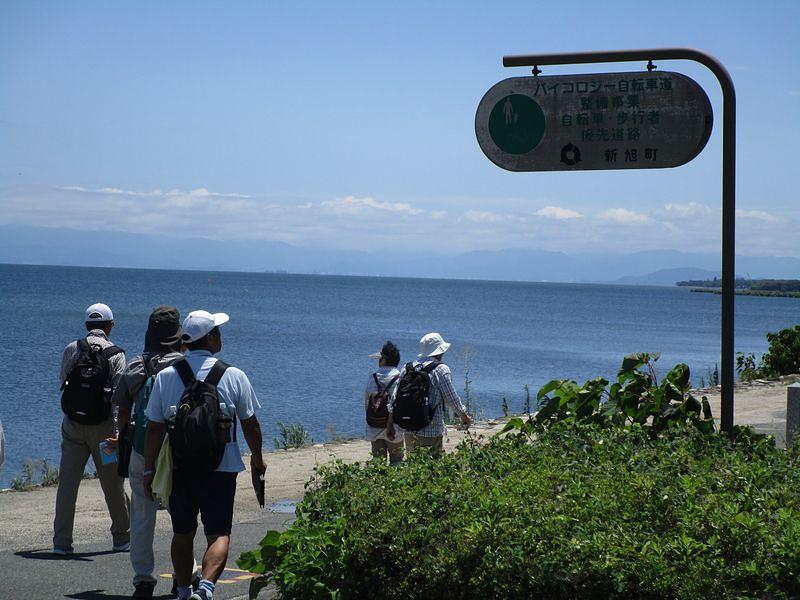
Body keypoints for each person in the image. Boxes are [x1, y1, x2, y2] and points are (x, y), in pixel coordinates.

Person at [143, 310, 267, 600]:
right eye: (218, 332)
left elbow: (153, 430)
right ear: (209, 338)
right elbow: (251, 424)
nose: (221, 336)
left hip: (180, 468)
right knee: (219, 533)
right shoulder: (233, 375)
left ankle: (185, 591)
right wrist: (257, 457)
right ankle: (207, 588)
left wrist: (149, 471)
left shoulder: (166, 376)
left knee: (182, 532)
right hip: (221, 469)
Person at [110, 305, 199, 599]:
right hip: (176, 451)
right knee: (181, 516)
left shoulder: (136, 366)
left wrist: (123, 436)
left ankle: (143, 580)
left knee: (141, 516)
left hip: (140, 448)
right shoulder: (185, 367)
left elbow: (122, 410)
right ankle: (185, 574)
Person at [54, 303, 130, 555]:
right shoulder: (117, 354)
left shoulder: (72, 348)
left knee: (67, 484)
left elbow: (62, 382)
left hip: (73, 426)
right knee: (112, 484)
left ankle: (62, 543)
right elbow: (119, 398)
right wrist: (118, 432)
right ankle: (121, 537)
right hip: (105, 430)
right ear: (110, 326)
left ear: (87, 325)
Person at [403, 332, 472, 458]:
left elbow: (395, 397)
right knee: (431, 470)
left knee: (412, 470)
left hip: (408, 427)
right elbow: (451, 398)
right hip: (431, 429)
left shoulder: (408, 368)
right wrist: (464, 416)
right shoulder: (441, 369)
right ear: (439, 351)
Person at [364, 341, 404, 466]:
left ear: (383, 360)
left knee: (377, 463)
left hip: (374, 426)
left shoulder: (373, 377)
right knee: (397, 461)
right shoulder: (400, 377)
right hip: (394, 428)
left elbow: (367, 402)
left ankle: (377, 485)